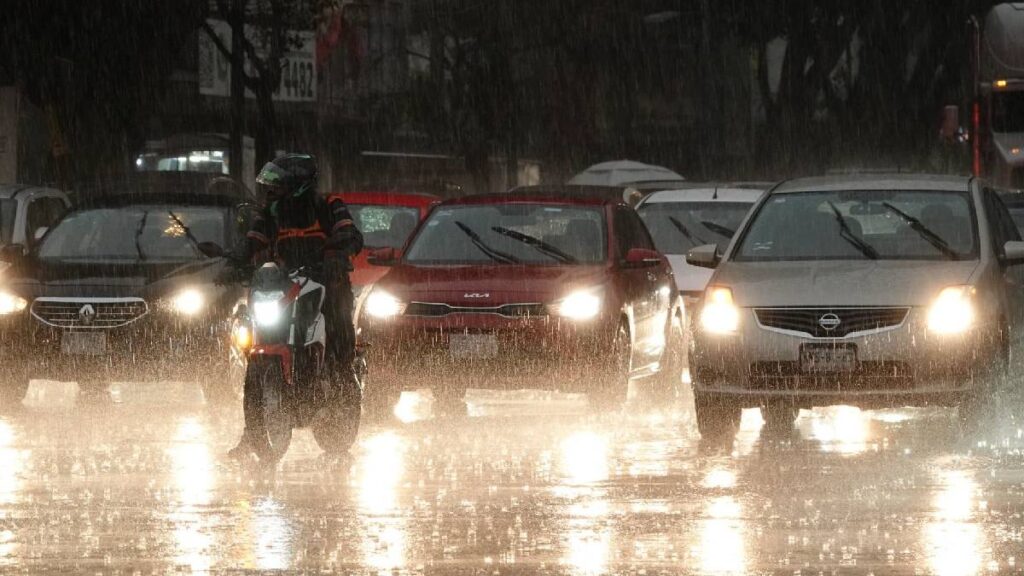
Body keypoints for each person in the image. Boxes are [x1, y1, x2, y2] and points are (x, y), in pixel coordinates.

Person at [229, 153, 363, 458]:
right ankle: (253, 434)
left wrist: (337, 255)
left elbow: (350, 235)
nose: (269, 194)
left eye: (275, 188)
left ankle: (341, 387)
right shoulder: (272, 212)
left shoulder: (329, 206)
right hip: (285, 287)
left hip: (327, 285)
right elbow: (253, 240)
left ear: (297, 187)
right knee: (255, 342)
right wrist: (234, 262)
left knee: (338, 330)